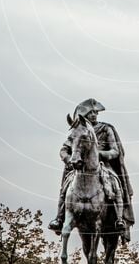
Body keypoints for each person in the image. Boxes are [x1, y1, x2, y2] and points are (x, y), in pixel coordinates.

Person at [48, 98, 134, 241]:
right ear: (84, 115)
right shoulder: (78, 130)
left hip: (102, 165)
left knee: (115, 184)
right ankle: (59, 218)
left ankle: (120, 219)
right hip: (80, 166)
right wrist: (69, 160)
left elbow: (115, 151)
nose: (94, 115)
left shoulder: (106, 129)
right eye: (91, 112)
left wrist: (97, 154)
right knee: (65, 187)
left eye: (95, 112)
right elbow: (64, 150)